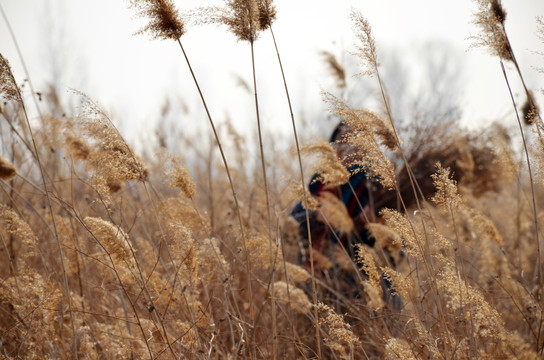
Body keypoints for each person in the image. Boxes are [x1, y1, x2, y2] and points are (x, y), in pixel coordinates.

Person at [290, 121, 401, 306]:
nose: (351, 146)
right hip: (320, 282)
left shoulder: (380, 187)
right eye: (344, 139)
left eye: (358, 140)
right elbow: (291, 223)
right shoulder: (318, 186)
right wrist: (315, 216)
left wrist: (376, 227)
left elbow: (400, 249)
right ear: (333, 148)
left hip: (370, 289)